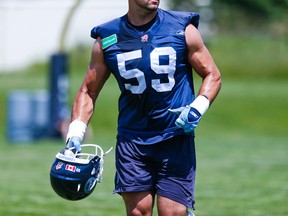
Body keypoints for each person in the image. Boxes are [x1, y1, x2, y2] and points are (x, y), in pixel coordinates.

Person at [65, 0, 222, 215]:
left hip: (173, 137)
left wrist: (197, 107)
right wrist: (75, 135)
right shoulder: (108, 38)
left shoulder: (183, 29)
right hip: (133, 140)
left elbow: (212, 74)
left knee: (172, 213)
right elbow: (88, 91)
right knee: (138, 212)